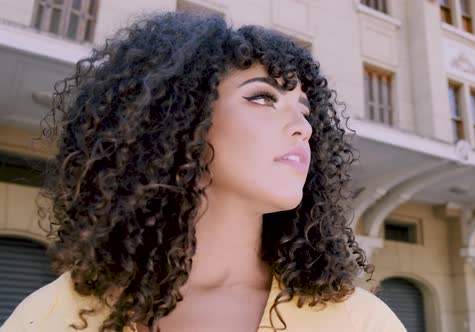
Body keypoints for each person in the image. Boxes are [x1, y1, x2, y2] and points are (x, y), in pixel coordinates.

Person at [0, 12, 406, 332]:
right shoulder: (47, 317)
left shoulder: (359, 321)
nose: (304, 126)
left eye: (304, 108)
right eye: (263, 97)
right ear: (176, 120)